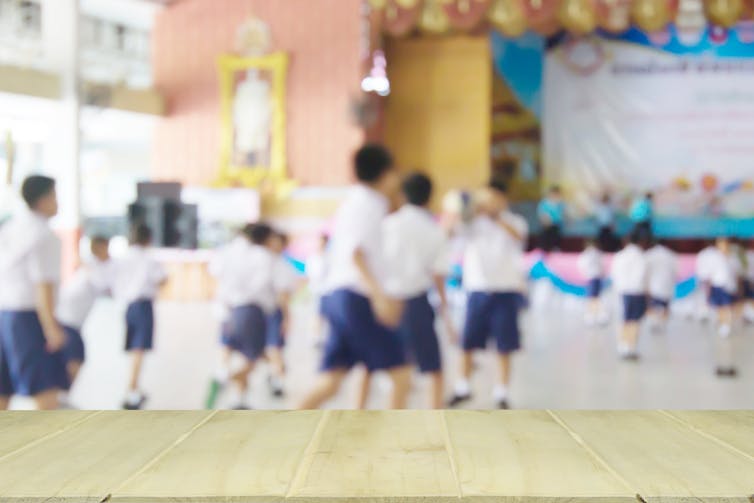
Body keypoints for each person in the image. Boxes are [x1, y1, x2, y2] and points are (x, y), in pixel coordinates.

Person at [297, 144, 410, 410]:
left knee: (331, 382)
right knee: (402, 377)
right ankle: (397, 448)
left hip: (337, 296)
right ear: (386, 174)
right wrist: (380, 297)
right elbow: (356, 254)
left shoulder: (355, 200)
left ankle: (284, 436)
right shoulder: (371, 202)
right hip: (356, 297)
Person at [358, 173, 454, 409]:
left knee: (372, 366)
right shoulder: (435, 231)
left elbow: (369, 261)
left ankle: (358, 414)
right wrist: (445, 311)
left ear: (402, 195)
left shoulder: (387, 224)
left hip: (386, 300)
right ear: (430, 197)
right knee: (433, 369)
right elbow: (438, 275)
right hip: (416, 303)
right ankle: (436, 424)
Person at [447, 179, 529, 410]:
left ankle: (501, 392)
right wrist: (465, 209)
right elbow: (452, 233)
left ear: (503, 200)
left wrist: (496, 217)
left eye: (495, 198)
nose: (490, 203)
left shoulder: (514, 221)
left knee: (504, 345)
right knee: (467, 342)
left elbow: (519, 238)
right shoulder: (474, 223)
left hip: (505, 291)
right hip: (477, 290)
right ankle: (462, 387)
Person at [0, 175, 66, 410]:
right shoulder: (44, 235)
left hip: (4, 315)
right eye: (55, 196)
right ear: (43, 200)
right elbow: (43, 286)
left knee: (3, 391)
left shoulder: (10, 227)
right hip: (28, 319)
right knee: (45, 389)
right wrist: (52, 329)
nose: (59, 202)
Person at [208, 223, 289, 409]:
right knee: (250, 359)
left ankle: (239, 398)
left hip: (228, 310)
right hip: (253, 312)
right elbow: (276, 288)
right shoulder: (264, 257)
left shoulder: (226, 252)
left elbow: (215, 273)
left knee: (229, 349)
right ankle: (225, 379)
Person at [111, 224, 167, 410]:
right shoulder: (148, 259)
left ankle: (134, 388)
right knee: (139, 349)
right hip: (143, 306)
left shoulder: (122, 258)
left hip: (128, 306)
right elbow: (161, 278)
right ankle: (131, 390)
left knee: (135, 348)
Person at [55, 236, 112, 401]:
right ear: (98, 248)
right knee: (76, 357)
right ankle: (62, 396)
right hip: (67, 320)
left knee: (73, 358)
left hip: (70, 320)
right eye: (106, 248)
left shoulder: (92, 267)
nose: (108, 253)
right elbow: (105, 287)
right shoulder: (93, 268)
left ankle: (62, 395)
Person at [264, 230, 298, 399]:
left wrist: (286, 317)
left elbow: (284, 295)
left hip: (275, 311)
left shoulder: (283, 266)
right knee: (269, 350)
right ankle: (276, 373)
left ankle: (278, 380)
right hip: (262, 310)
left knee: (274, 348)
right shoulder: (265, 261)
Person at [706, 236, 741, 377]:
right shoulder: (714, 258)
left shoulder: (732, 259)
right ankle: (722, 324)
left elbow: (736, 274)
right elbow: (710, 274)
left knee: (727, 307)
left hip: (728, 286)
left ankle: (727, 325)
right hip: (717, 285)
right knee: (719, 307)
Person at [611, 232, 649, 360]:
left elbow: (614, 274)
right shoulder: (640, 256)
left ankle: (623, 345)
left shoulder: (620, 256)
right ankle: (631, 347)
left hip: (623, 291)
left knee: (625, 318)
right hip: (636, 291)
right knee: (634, 320)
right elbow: (642, 276)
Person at [645, 240, 678, 333]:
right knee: (665, 307)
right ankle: (662, 324)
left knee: (651, 307)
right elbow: (676, 272)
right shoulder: (671, 255)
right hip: (667, 286)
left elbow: (645, 271)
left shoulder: (649, 254)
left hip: (653, 286)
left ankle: (655, 322)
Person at [306, 234, 330, 347]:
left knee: (328, 316)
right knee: (317, 315)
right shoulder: (312, 258)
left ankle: (326, 337)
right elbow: (310, 275)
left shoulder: (331, 257)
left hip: (328, 290)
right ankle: (316, 337)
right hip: (317, 291)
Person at [577, 239, 607, 326]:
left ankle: (595, 315)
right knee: (595, 297)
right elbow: (602, 266)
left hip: (591, 277)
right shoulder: (598, 253)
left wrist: (586, 274)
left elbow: (582, 265)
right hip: (597, 277)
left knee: (593, 298)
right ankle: (595, 315)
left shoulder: (587, 254)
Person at [537, 185, 565, 252]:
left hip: (556, 226)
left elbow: (560, 217)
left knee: (554, 230)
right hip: (545, 225)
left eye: (556, 194)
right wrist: (546, 220)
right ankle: (543, 249)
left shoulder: (560, 204)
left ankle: (554, 248)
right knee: (545, 231)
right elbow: (541, 214)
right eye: (553, 193)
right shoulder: (544, 203)